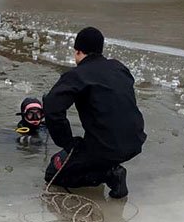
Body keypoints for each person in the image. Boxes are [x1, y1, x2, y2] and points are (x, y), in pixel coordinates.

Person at [42, 27, 146, 198]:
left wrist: (68, 143)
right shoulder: (119, 68)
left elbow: (52, 107)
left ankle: (109, 173)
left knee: (53, 172)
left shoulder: (78, 75)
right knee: (98, 149)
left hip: (106, 147)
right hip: (135, 141)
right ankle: (106, 165)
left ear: (78, 51)